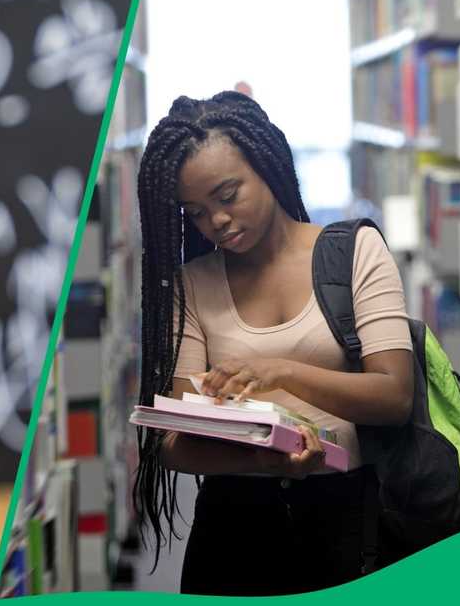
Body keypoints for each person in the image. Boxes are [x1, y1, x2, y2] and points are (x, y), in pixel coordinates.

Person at [131, 91, 414, 596]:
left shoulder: (354, 252)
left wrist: (281, 372)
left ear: (267, 165)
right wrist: (262, 460)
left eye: (227, 195)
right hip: (233, 526)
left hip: (353, 522)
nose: (215, 221)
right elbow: (172, 442)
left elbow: (394, 396)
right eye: (194, 211)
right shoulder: (192, 284)